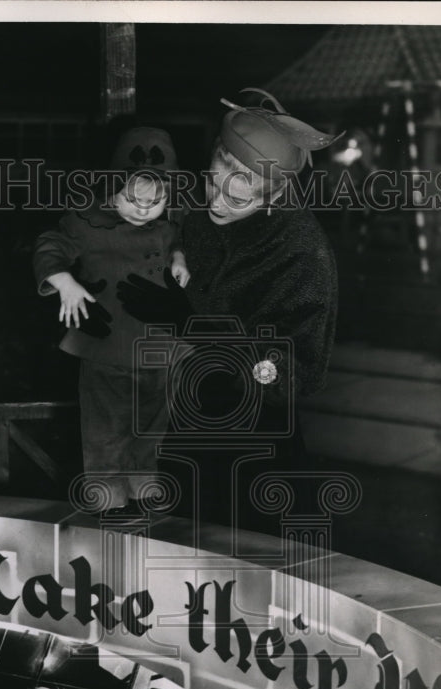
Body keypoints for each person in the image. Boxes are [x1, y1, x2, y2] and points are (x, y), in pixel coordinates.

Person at [117, 90, 342, 531]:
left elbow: (292, 373)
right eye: (212, 183)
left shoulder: (304, 253)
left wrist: (192, 326)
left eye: (238, 200)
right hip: (175, 436)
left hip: (254, 459)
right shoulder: (203, 213)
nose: (217, 203)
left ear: (277, 193)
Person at [33, 126, 190, 518]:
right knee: (105, 429)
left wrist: (180, 258)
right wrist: (63, 280)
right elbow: (49, 245)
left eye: (155, 201)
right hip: (108, 343)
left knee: (151, 428)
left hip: (159, 347)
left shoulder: (172, 224)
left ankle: (144, 494)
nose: (142, 208)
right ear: (113, 187)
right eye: (133, 198)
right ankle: (108, 502)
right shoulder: (87, 223)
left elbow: (179, 240)